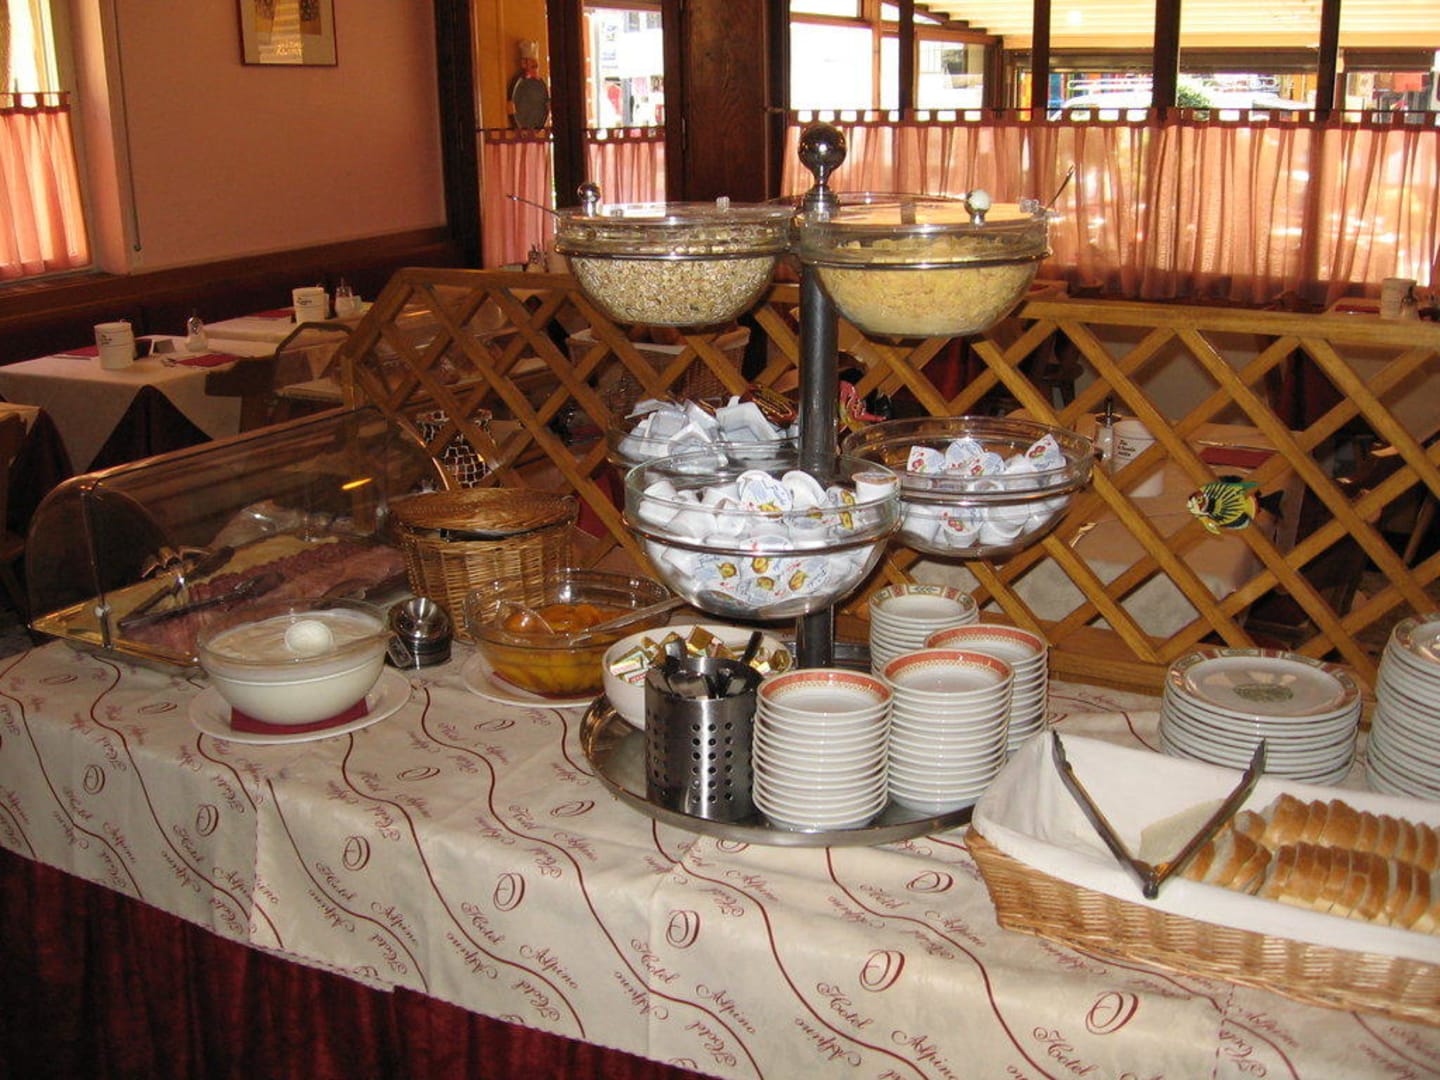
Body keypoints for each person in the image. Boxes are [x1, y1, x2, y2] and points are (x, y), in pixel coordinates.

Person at [508, 41, 550, 130]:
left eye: (535, 66)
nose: (535, 69)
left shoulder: (539, 86)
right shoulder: (521, 85)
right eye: (533, 66)